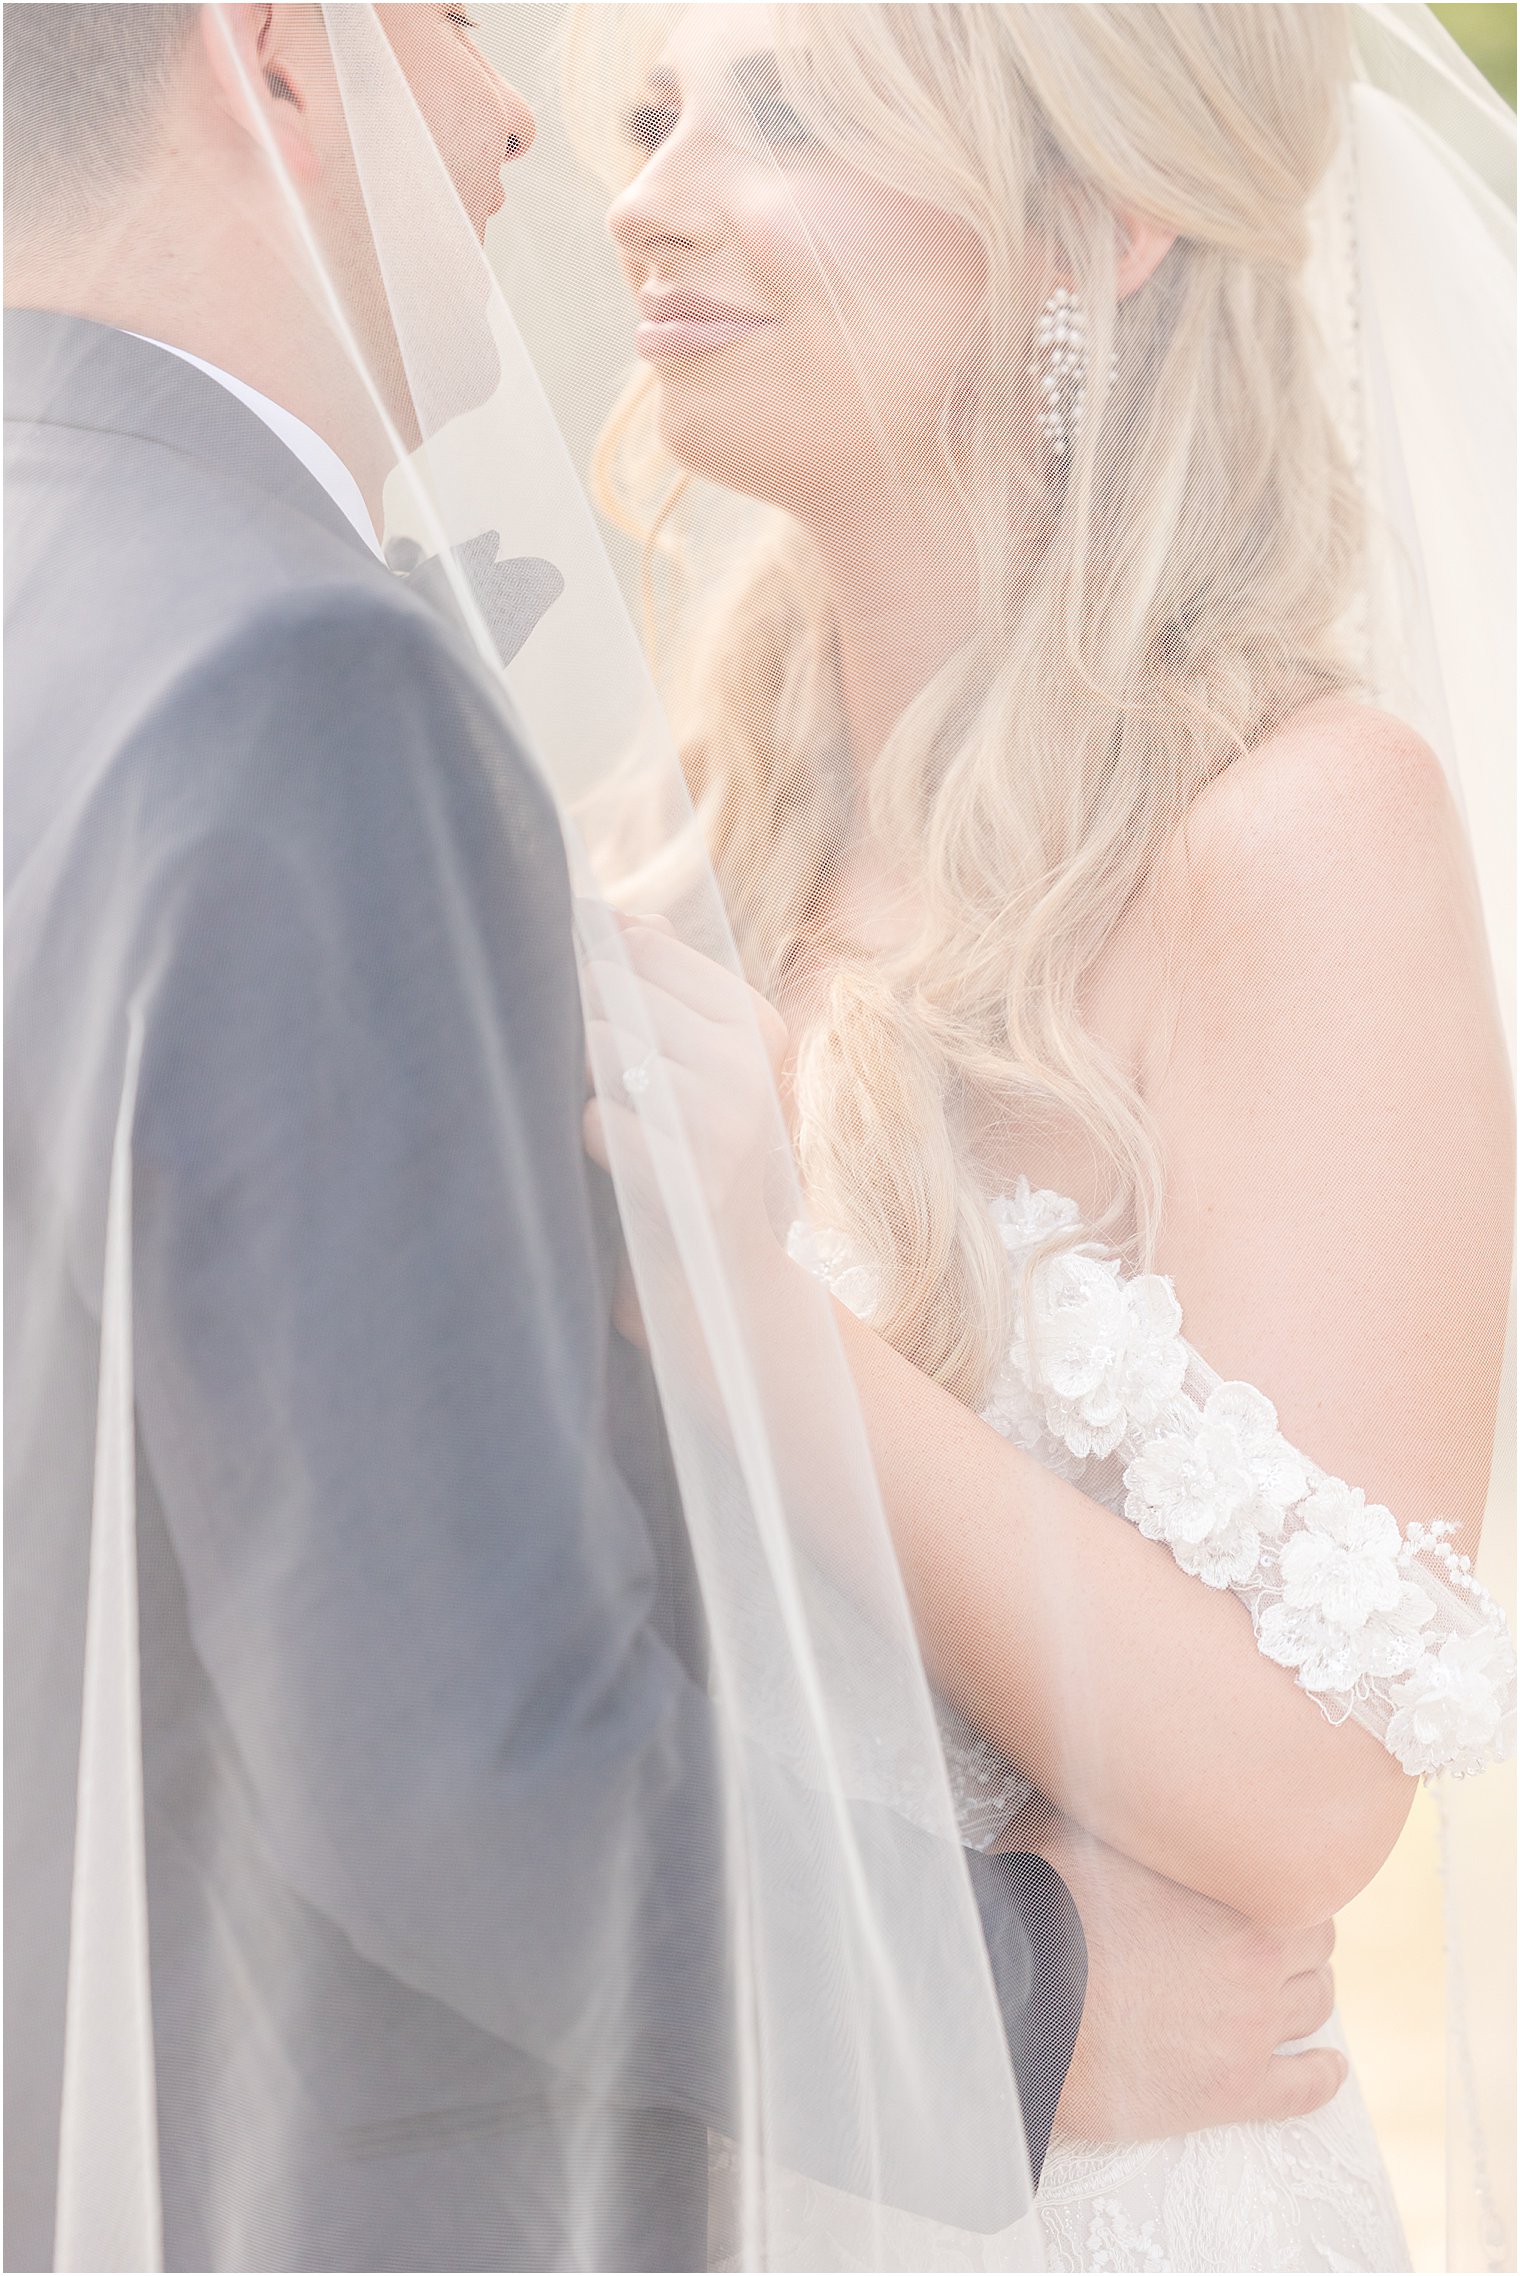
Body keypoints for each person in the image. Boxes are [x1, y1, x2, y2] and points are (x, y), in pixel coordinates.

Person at [568, 2, 1518, 2267]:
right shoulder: (690, 842)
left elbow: (1306, 1791)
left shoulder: (1295, 830)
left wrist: (742, 1321)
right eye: (650, 109)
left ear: (1099, 225)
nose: (646, 199)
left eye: (785, 115)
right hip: (712, 2151)